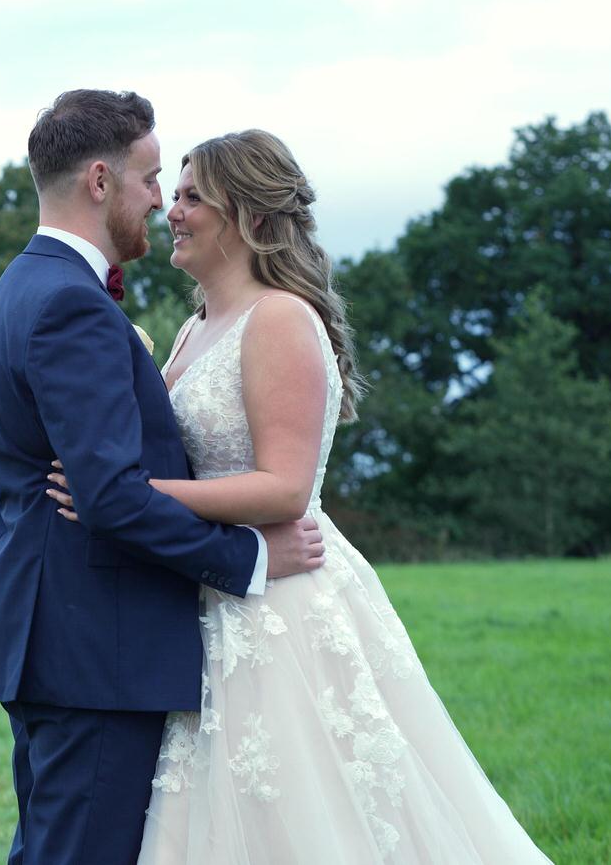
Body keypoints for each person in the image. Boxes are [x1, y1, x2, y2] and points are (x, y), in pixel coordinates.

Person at [45, 129, 554, 862]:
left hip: (279, 600)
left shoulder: (280, 317)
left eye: (193, 198)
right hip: (211, 586)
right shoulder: (192, 328)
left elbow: (284, 487)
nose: (170, 211)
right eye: (174, 194)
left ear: (249, 215)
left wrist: (130, 493)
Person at [0, 89, 326, 865]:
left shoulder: (23, 287)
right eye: (154, 179)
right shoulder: (71, 304)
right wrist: (251, 557)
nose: (161, 203)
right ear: (100, 181)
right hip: (94, 645)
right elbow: (109, 498)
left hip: (57, 635)